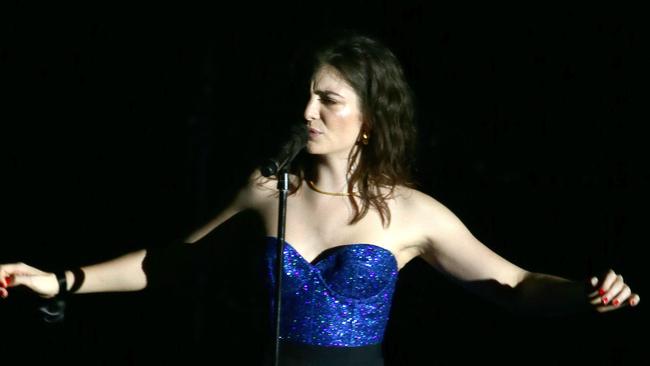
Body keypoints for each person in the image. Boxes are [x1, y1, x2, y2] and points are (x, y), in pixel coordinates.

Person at [0, 33, 641, 366]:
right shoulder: (267, 188)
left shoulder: (410, 212)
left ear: (368, 116)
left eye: (328, 100)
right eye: (307, 95)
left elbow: (516, 283)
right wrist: (59, 281)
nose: (307, 112)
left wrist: (583, 293)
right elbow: (169, 263)